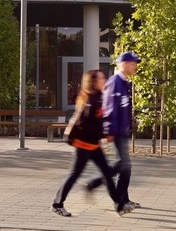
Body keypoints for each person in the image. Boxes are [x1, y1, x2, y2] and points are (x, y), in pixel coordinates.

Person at [52, 69, 128, 218]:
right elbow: (84, 122)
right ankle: (57, 204)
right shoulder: (89, 100)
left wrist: (105, 133)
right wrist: (102, 134)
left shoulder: (99, 96)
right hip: (83, 145)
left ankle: (119, 205)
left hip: (95, 145)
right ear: (93, 82)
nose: (104, 81)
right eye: (101, 79)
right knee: (74, 175)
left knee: (107, 173)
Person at [88, 51, 140, 209]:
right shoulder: (114, 83)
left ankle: (122, 198)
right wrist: (109, 131)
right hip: (115, 131)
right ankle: (98, 185)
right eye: (132, 63)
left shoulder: (124, 82)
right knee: (124, 165)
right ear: (123, 64)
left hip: (122, 130)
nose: (135, 66)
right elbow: (109, 109)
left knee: (125, 165)